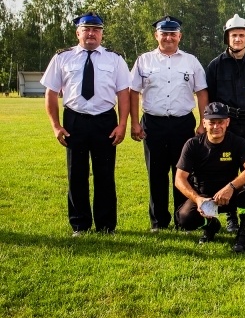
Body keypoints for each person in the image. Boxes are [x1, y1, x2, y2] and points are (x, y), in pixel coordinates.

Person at [41, 12, 130, 235]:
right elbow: (51, 93)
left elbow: (123, 94)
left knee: (105, 175)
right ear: (77, 33)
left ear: (102, 34)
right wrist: (55, 125)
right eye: (87, 30)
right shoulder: (62, 58)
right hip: (74, 121)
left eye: (96, 30)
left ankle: (106, 226)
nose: (91, 34)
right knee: (76, 175)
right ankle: (80, 225)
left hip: (105, 121)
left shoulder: (115, 59)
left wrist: (122, 125)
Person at [130, 16, 208, 232]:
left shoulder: (191, 61)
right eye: (164, 33)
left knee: (183, 172)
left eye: (173, 34)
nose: (168, 38)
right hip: (153, 124)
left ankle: (182, 220)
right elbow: (133, 92)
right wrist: (134, 122)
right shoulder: (144, 60)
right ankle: (159, 222)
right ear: (156, 35)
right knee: (156, 173)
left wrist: (203, 123)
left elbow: (202, 92)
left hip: (182, 124)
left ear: (180, 36)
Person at [206, 14, 245, 233]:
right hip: (227, 126)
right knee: (228, 170)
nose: (238, 39)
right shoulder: (215, 66)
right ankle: (231, 216)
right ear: (227, 38)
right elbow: (211, 97)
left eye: (242, 35)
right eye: (234, 35)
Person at [174, 103, 245, 251]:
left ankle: (243, 234)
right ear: (204, 123)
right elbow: (179, 179)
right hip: (205, 197)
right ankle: (211, 225)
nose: (216, 126)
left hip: (230, 195)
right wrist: (198, 199)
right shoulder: (193, 144)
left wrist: (231, 187)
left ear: (227, 122)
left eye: (220, 122)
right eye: (212, 122)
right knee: (184, 219)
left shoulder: (237, 142)